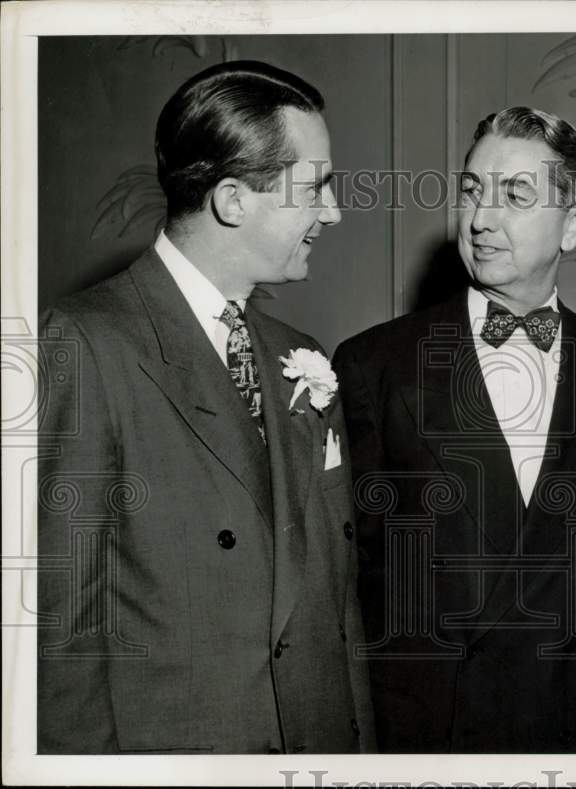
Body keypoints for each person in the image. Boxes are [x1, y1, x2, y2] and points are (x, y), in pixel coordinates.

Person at [37, 60, 375, 754]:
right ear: (232, 199)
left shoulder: (299, 354)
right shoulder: (86, 343)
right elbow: (60, 630)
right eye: (315, 187)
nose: (334, 211)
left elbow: (338, 616)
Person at [333, 107, 576, 752]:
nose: (481, 219)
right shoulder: (375, 365)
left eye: (514, 196)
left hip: (574, 727)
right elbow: (351, 574)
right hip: (432, 728)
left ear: (575, 223)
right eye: (473, 191)